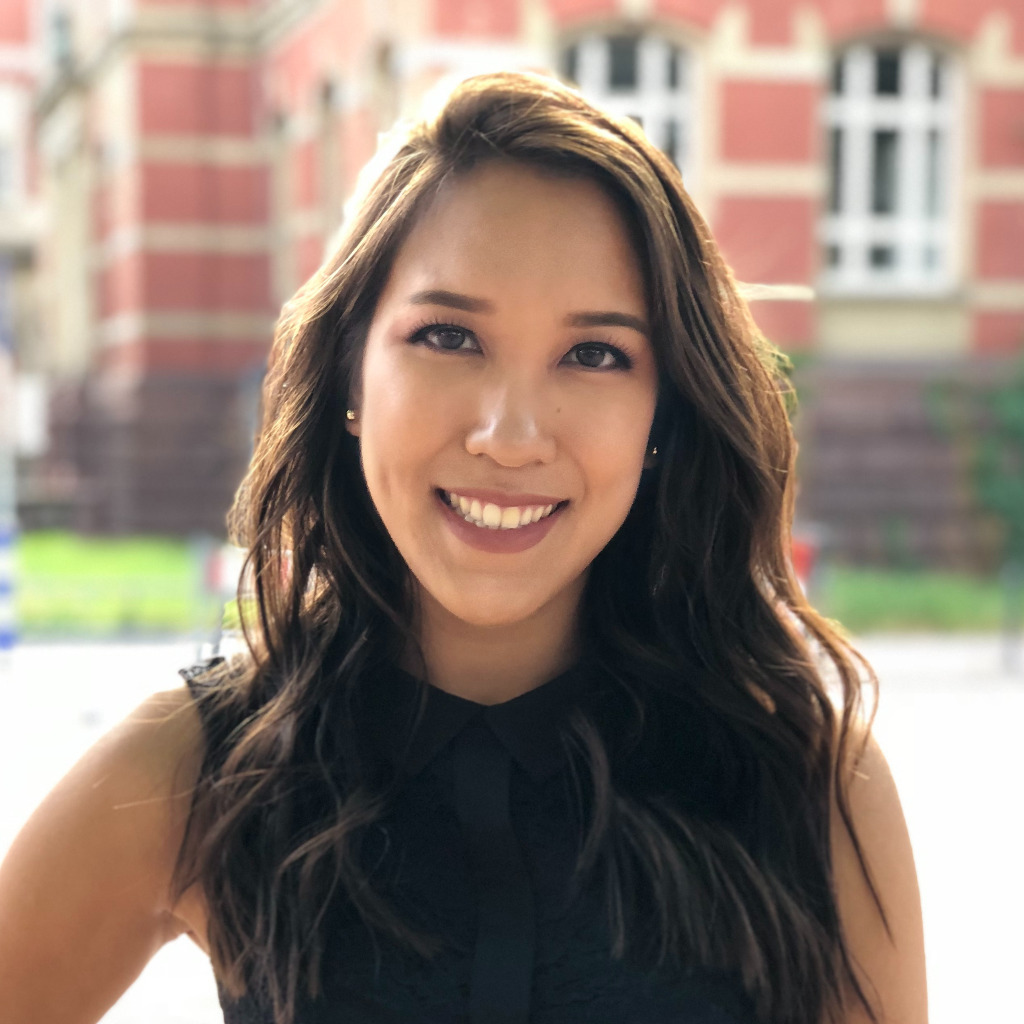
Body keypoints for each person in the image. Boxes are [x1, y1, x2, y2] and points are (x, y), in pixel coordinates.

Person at [0, 71, 926, 1024]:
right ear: (351, 377)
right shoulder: (197, 771)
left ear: (664, 417)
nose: (510, 437)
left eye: (595, 354)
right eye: (448, 336)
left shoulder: (810, 783)